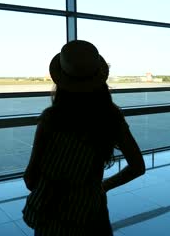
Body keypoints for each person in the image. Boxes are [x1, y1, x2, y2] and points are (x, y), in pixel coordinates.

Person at [22, 40, 145, 236]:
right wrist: (101, 187)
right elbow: (137, 167)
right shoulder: (111, 117)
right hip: (92, 215)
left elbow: (30, 179)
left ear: (61, 81)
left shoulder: (50, 119)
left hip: (51, 215)